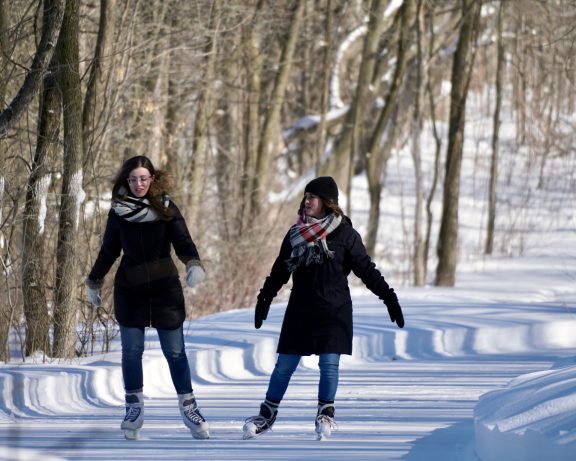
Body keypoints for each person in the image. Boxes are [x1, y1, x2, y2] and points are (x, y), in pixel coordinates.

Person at [242, 176, 404, 441]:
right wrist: (265, 298)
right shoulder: (295, 234)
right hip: (301, 309)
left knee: (329, 364)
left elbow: (366, 270)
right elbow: (280, 270)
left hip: (333, 309)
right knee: (284, 365)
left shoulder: (346, 235)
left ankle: (325, 412)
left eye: (312, 197)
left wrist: (389, 297)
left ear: (327, 203)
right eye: (305, 196)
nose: (306, 201)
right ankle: (267, 414)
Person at [86, 155, 210, 440]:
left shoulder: (167, 208)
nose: (138, 183)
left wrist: (193, 263)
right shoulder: (118, 212)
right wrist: (94, 279)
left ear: (152, 179)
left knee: (175, 352)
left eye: (143, 178)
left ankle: (189, 407)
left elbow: (183, 242)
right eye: (133, 179)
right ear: (125, 181)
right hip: (130, 288)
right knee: (131, 351)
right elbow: (109, 250)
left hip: (165, 288)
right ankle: (134, 408)